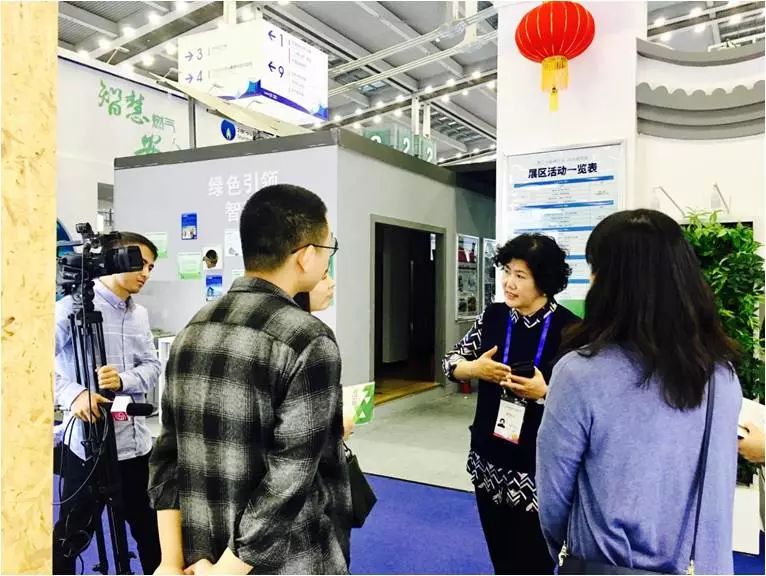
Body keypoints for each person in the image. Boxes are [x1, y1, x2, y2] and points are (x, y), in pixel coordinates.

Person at [148, 184, 351, 575]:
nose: (328, 260)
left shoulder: (194, 327)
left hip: (203, 553)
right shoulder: (310, 339)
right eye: (329, 248)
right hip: (285, 560)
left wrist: (170, 561)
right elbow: (288, 481)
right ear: (306, 255)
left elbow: (167, 454)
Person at [537, 209, 742, 574]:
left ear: (609, 283)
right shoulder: (720, 376)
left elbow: (553, 497)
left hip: (603, 565)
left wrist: (568, 557)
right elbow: (718, 492)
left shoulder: (579, 374)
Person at [442, 233, 578, 575]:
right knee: (501, 558)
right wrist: (474, 369)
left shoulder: (571, 331)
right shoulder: (494, 316)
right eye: (506, 272)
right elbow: (451, 361)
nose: (508, 283)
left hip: (538, 469)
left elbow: (583, 406)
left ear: (544, 281)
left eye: (520, 275)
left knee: (534, 561)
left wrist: (545, 393)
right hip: (489, 459)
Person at [53, 232, 161, 575]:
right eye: (139, 263)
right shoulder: (69, 309)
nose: (145, 272)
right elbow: (27, 364)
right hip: (88, 448)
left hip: (135, 447)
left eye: (151, 267)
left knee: (152, 535)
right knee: (70, 539)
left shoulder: (139, 314)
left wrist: (124, 380)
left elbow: (153, 367)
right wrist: (73, 394)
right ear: (112, 260)